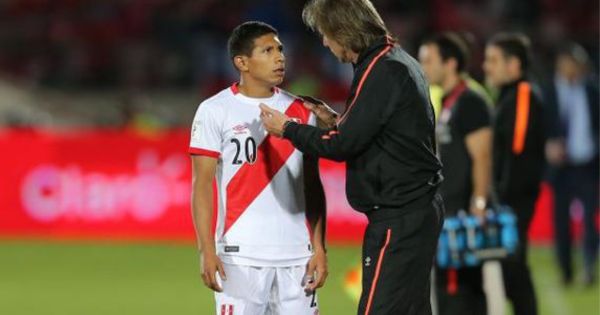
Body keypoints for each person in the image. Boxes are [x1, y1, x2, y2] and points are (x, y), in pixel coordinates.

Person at [260, 1, 444, 314]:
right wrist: (337, 121)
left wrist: (288, 128)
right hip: (414, 210)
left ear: (344, 31)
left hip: (399, 217)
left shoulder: (383, 70)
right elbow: (381, 130)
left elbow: (341, 146)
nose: (324, 42)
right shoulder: (394, 61)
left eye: (326, 33)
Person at [189, 21, 327, 315]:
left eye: (280, 49)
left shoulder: (302, 110)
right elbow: (201, 185)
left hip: (297, 258)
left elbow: (312, 184)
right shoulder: (215, 110)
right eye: (267, 50)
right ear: (242, 62)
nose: (280, 57)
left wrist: (319, 247)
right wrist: (206, 250)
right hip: (241, 258)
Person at [419, 33, 492, 315]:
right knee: (459, 287)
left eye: (428, 60)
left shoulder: (470, 101)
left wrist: (480, 202)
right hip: (448, 207)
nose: (423, 67)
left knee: (456, 290)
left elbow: (482, 157)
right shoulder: (447, 99)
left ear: (450, 63)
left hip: (462, 211)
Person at [483, 33, 545, 315]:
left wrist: (499, 200)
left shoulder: (522, 96)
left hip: (513, 201)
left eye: (494, 60)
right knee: (509, 269)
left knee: (513, 267)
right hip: (507, 199)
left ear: (514, 65)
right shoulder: (508, 96)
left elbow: (516, 155)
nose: (486, 66)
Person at [544, 42, 599, 286]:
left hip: (588, 164)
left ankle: (588, 268)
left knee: (590, 221)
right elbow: (539, 128)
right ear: (560, 64)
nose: (573, 69)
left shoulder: (592, 89)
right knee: (561, 223)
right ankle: (566, 272)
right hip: (561, 168)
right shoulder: (547, 91)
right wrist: (548, 144)